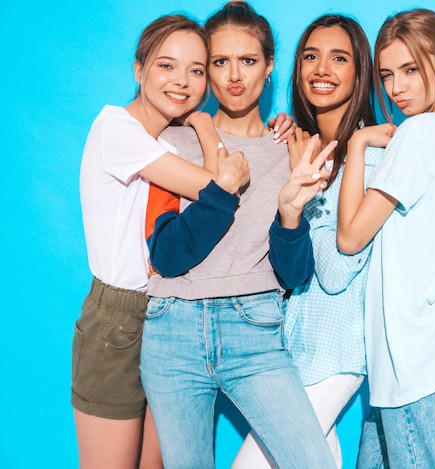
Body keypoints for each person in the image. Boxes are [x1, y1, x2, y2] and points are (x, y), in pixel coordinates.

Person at [139, 2, 337, 467]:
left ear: (269, 67)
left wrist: (290, 213)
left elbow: (293, 274)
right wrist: (221, 187)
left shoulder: (292, 148)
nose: (234, 76)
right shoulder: (172, 142)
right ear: (205, 69)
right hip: (173, 332)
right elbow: (166, 257)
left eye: (248, 61)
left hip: (255, 330)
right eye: (220, 62)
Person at [72, 14, 253, 469]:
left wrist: (203, 131)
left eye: (196, 70)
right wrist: (208, 128)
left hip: (167, 316)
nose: (183, 81)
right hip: (117, 318)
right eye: (166, 66)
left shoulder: (168, 145)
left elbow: (212, 190)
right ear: (139, 69)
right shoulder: (117, 131)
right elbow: (216, 185)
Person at [336, 9, 435, 468]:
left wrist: (357, 144)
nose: (397, 87)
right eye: (387, 74)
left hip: (413, 354)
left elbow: (349, 237)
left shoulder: (419, 134)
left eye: (411, 69)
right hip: (429, 348)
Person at [232, 14, 382, 469]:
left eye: (339, 58)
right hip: (293, 349)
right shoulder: (299, 144)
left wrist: (309, 187)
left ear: (360, 74)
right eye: (311, 56)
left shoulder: (371, 156)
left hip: (335, 355)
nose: (321, 69)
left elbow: (337, 270)